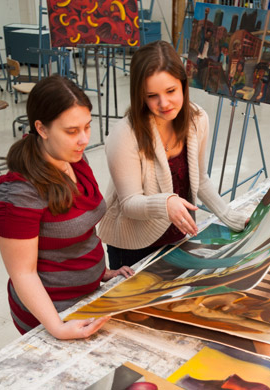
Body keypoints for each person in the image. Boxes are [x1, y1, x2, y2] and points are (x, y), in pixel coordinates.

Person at [0, 75, 134, 339]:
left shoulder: (74, 161)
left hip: (87, 295)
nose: (84, 139)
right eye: (71, 131)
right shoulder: (20, 192)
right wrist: (56, 326)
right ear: (42, 129)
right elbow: (23, 273)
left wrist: (101, 273)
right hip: (50, 312)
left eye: (87, 127)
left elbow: (81, 229)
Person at [99, 40, 248, 269]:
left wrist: (229, 216)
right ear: (140, 95)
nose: (164, 103)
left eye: (171, 91)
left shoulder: (197, 119)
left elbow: (199, 179)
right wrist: (166, 203)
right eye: (152, 96)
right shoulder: (124, 134)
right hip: (133, 245)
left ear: (183, 84)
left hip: (177, 237)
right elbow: (129, 203)